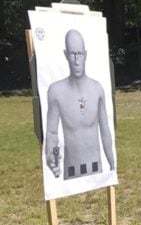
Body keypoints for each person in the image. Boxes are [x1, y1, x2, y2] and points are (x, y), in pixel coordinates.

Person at [44, 29, 116, 179]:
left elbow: (105, 131)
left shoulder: (97, 88)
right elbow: (52, 133)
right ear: (66, 55)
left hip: (96, 167)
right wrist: (53, 157)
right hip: (72, 170)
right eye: (73, 54)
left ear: (85, 55)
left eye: (79, 54)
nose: (77, 60)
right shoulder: (56, 91)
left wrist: (112, 162)